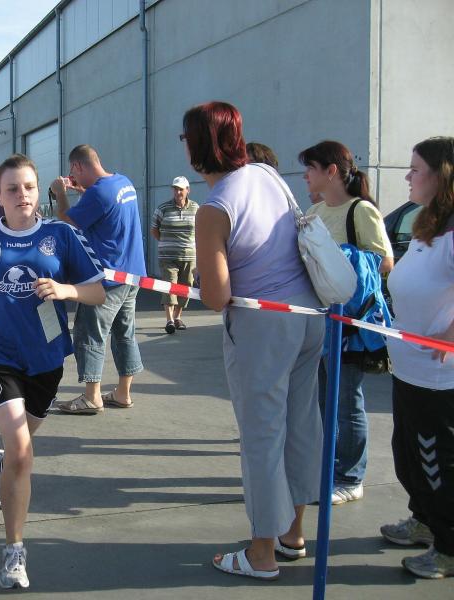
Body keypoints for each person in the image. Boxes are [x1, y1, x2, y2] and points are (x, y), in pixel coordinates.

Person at [0, 153, 104, 589]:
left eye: (29, 187)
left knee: (19, 450)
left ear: (39, 190)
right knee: (22, 450)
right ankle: (14, 552)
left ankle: (5, 464)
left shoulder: (62, 235)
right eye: (12, 189)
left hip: (46, 359)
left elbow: (97, 291)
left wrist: (66, 289)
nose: (22, 195)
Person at [187, 101, 324, 580]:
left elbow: (217, 297)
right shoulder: (268, 176)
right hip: (309, 316)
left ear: (197, 145)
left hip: (262, 327)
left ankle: (262, 552)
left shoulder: (214, 208)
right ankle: (293, 534)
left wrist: (205, 278)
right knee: (300, 424)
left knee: (262, 437)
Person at [300, 140, 394, 505]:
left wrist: (342, 259)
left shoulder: (361, 211)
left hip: (350, 324)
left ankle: (351, 477)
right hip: (320, 321)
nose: (305, 176)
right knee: (322, 401)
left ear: (331, 171)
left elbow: (384, 262)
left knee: (347, 401)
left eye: (311, 168)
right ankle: (325, 470)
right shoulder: (315, 211)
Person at [381, 136, 454, 579]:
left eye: (415, 169)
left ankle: (449, 547)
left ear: (442, 176)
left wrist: (449, 334)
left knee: (436, 463)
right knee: (408, 456)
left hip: (438, 380)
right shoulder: (429, 225)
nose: (407, 176)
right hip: (408, 370)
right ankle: (425, 521)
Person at [50, 144, 146, 413]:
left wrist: (60, 193)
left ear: (78, 166)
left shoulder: (98, 193)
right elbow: (105, 207)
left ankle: (92, 396)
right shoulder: (122, 183)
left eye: (73, 172)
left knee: (89, 333)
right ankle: (123, 393)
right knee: (125, 333)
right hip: (132, 275)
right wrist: (83, 191)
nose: (73, 177)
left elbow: (67, 220)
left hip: (108, 279)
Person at [151, 176, 199, 333]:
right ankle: (169, 320)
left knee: (185, 287)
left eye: (181, 189)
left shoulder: (196, 208)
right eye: (175, 189)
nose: (178, 192)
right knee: (170, 285)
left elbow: (200, 230)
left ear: (187, 190)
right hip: (168, 257)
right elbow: (154, 229)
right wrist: (167, 243)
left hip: (189, 257)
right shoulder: (163, 208)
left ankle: (178, 317)